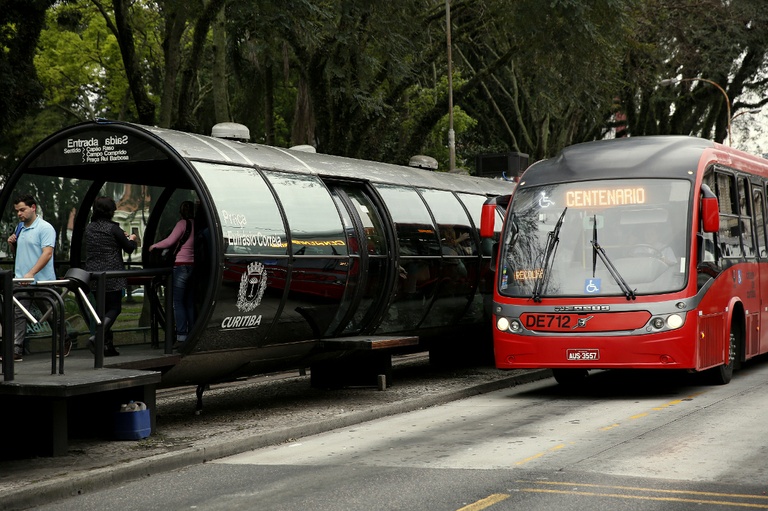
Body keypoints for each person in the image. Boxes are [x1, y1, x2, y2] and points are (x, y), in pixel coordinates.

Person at [4, 194, 57, 361]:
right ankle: (16, 349)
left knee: (51, 314)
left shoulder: (45, 228)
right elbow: (19, 253)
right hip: (21, 281)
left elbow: (47, 253)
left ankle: (65, 340)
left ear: (33, 207)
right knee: (18, 314)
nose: (19, 214)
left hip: (42, 281)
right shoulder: (20, 227)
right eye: (17, 211)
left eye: (22, 210)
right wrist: (12, 244)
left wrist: (32, 272)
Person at [84, 197, 138, 357]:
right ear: (110, 211)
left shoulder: (90, 228)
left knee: (102, 312)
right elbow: (128, 248)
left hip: (93, 275)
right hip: (112, 275)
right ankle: (97, 337)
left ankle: (107, 347)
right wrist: (132, 239)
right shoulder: (113, 228)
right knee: (115, 308)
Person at [149, 201, 195, 347]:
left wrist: (154, 246)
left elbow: (170, 241)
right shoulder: (197, 224)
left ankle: (181, 335)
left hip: (180, 265)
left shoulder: (182, 224)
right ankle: (193, 332)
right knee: (189, 302)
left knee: (178, 302)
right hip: (193, 266)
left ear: (181, 212)